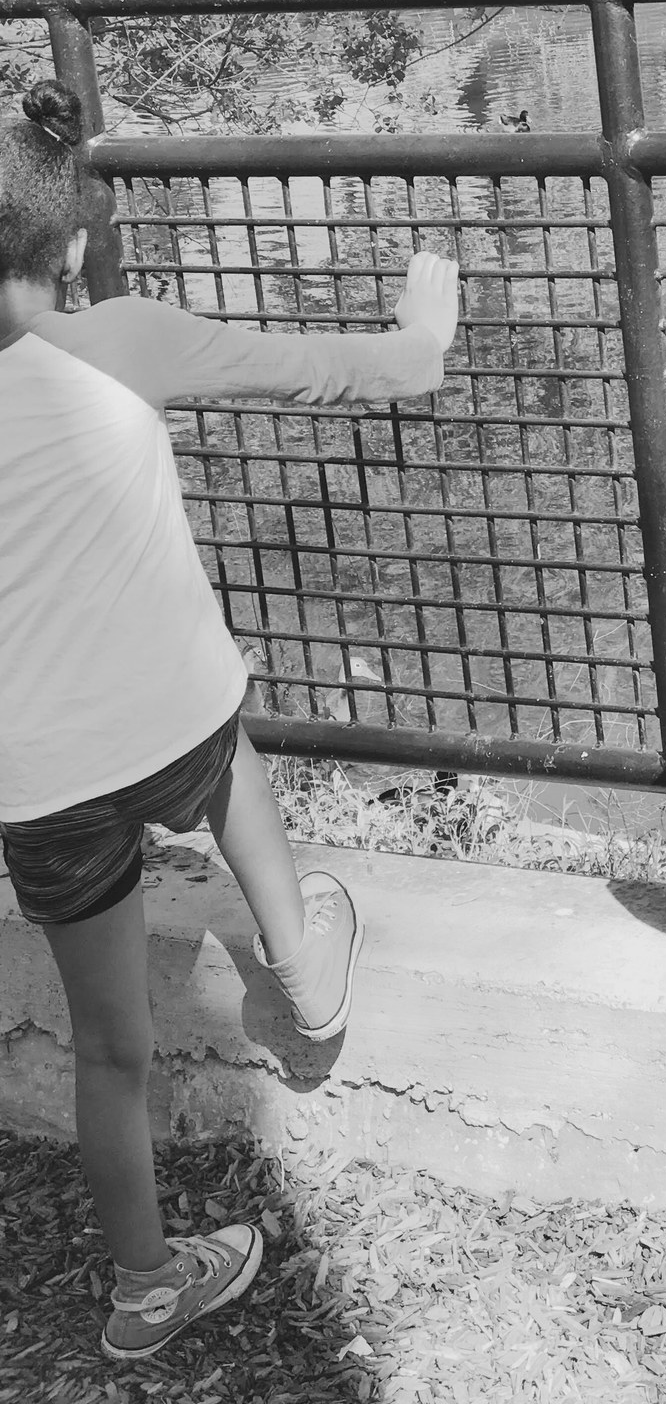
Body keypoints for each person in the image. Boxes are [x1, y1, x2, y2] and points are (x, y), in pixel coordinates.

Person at [0, 80, 460, 1359]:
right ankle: (305, 965)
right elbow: (333, 373)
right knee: (220, 750)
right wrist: (423, 330)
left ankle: (146, 1286)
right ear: (76, 245)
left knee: (110, 1051)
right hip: (177, 719)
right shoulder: (125, 337)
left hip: (33, 774)